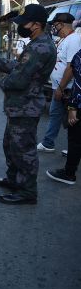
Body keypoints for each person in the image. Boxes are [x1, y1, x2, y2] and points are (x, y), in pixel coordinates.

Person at [0, 4, 57, 205]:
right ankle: (14, 180)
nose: (21, 27)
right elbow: (18, 66)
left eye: (25, 23)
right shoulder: (36, 43)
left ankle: (27, 191)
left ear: (36, 25)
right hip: (19, 107)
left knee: (24, 150)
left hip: (25, 107)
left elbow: (19, 79)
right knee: (11, 146)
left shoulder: (40, 47)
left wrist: (3, 83)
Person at [37, 13, 81, 152]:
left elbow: (71, 66)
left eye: (55, 25)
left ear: (61, 24)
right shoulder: (63, 39)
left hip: (68, 89)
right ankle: (49, 143)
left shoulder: (74, 39)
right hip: (60, 87)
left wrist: (60, 88)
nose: (54, 28)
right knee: (56, 115)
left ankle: (73, 149)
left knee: (72, 118)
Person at [46, 22, 81, 185]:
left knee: (75, 137)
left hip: (76, 100)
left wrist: (73, 107)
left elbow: (78, 79)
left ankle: (69, 174)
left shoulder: (75, 44)